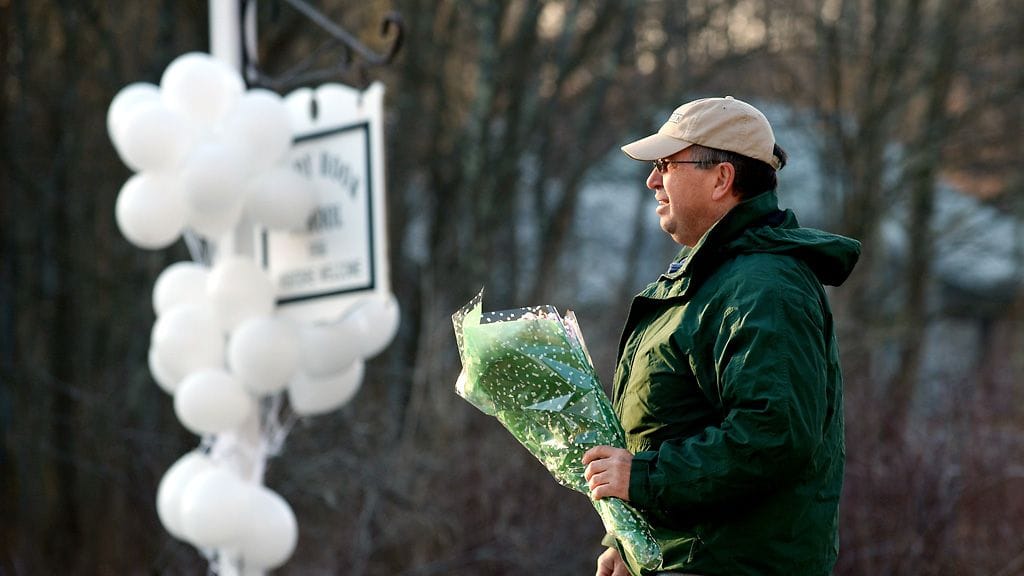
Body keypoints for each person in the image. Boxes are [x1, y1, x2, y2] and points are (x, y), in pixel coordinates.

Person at [581, 96, 861, 576]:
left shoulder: (765, 288)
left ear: (721, 179)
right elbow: (669, 425)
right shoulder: (709, 280)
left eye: (667, 164)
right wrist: (629, 541)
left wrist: (643, 479)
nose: (652, 181)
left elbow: (772, 438)